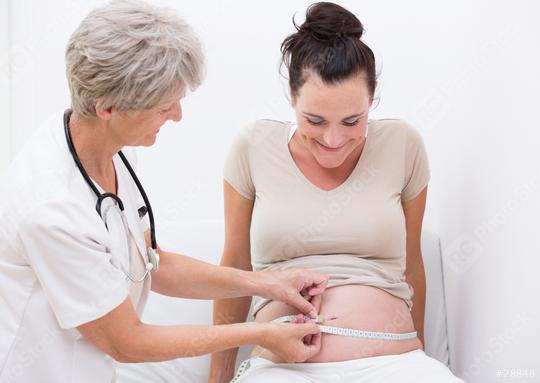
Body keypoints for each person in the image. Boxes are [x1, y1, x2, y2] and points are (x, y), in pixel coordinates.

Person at [0, 1, 328, 382]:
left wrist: (269, 283)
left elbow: (152, 263)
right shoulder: (50, 208)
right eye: (164, 106)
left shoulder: (109, 150)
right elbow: (127, 342)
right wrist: (262, 334)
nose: (177, 116)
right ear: (108, 107)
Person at [210, 2, 464, 382]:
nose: (333, 140)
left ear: (372, 98)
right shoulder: (253, 147)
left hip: (394, 363)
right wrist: (219, 378)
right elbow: (234, 268)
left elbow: (412, 265)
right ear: (292, 99)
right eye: (315, 120)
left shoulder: (402, 144)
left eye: (352, 120)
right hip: (282, 367)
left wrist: (420, 357)